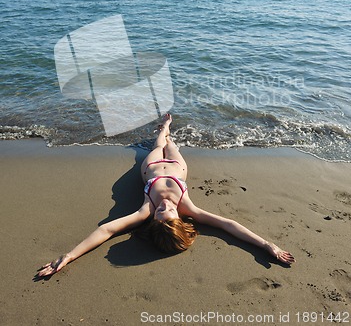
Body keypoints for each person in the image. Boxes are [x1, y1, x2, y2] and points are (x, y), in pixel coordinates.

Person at [38, 114, 295, 277]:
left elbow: (106, 230)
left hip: (149, 169)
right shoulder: (188, 209)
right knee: (170, 145)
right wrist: (266, 245)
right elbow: (229, 225)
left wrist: (69, 255)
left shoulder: (145, 211)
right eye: (167, 212)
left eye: (159, 214)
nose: (163, 208)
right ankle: (167, 127)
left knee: (158, 145)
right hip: (177, 168)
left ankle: (163, 129)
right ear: (179, 220)